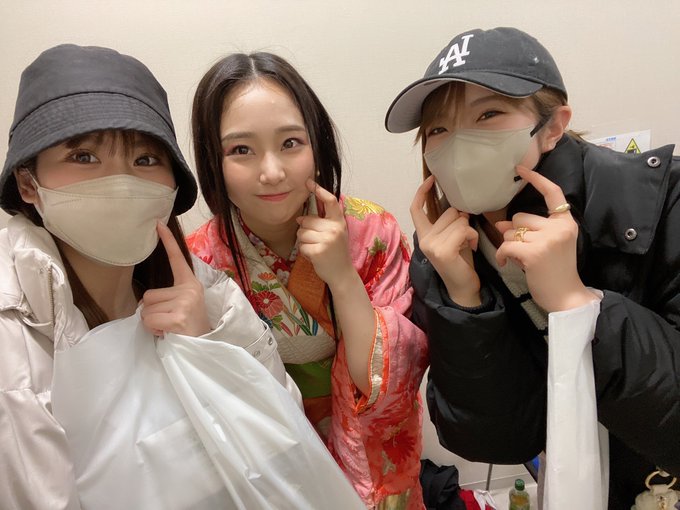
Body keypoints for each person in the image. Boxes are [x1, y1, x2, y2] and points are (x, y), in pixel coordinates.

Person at [384, 26, 680, 509]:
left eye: (489, 114)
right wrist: (464, 301)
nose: (459, 143)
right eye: (438, 129)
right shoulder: (442, 248)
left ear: (553, 126)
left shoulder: (661, 201)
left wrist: (577, 303)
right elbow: (495, 442)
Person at [0, 44, 296, 509]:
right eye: (84, 157)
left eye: (144, 160)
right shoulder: (13, 333)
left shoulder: (209, 294)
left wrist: (209, 350)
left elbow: (285, 447)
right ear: (27, 182)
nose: (120, 182)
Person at [186, 51, 429, 509]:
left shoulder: (372, 231)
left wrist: (342, 277)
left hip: (365, 451)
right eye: (241, 150)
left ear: (317, 145)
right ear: (213, 160)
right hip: (266, 460)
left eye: (291, 143)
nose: (272, 171)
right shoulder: (199, 260)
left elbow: (388, 382)